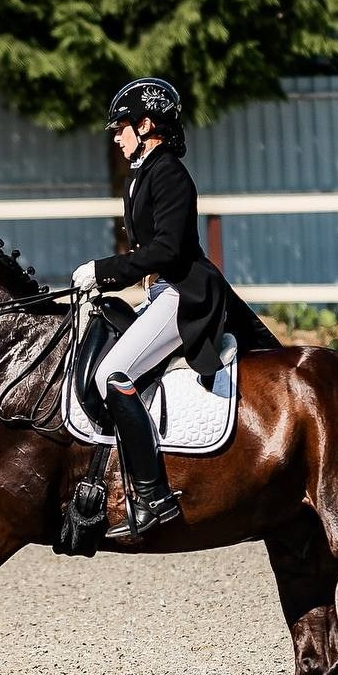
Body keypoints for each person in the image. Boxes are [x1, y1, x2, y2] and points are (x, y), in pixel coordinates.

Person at [72, 77, 280, 538]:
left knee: (112, 376)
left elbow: (167, 250)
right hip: (157, 291)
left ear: (146, 125)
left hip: (184, 293)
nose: (115, 134)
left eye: (121, 126)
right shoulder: (143, 173)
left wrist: (104, 270)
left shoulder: (168, 174)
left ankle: (152, 497)